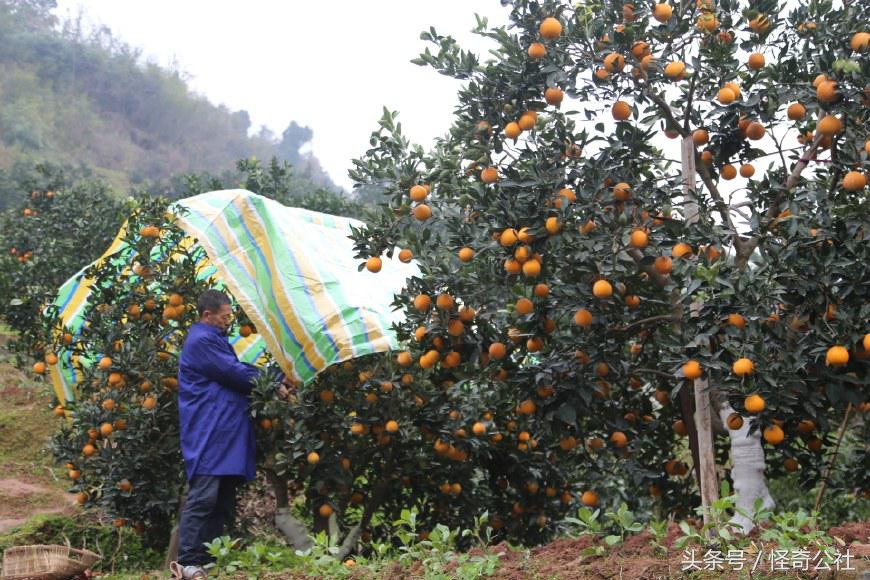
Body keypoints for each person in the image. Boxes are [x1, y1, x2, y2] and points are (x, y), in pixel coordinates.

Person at [170, 289, 288, 579]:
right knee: (204, 497)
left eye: (229, 317)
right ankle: (186, 562)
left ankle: (207, 559)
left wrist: (274, 378)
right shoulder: (201, 341)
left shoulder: (213, 340)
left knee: (221, 499)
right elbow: (233, 373)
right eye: (223, 317)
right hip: (209, 432)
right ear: (207, 315)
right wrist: (272, 379)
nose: (227, 322)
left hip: (222, 432)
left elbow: (235, 370)